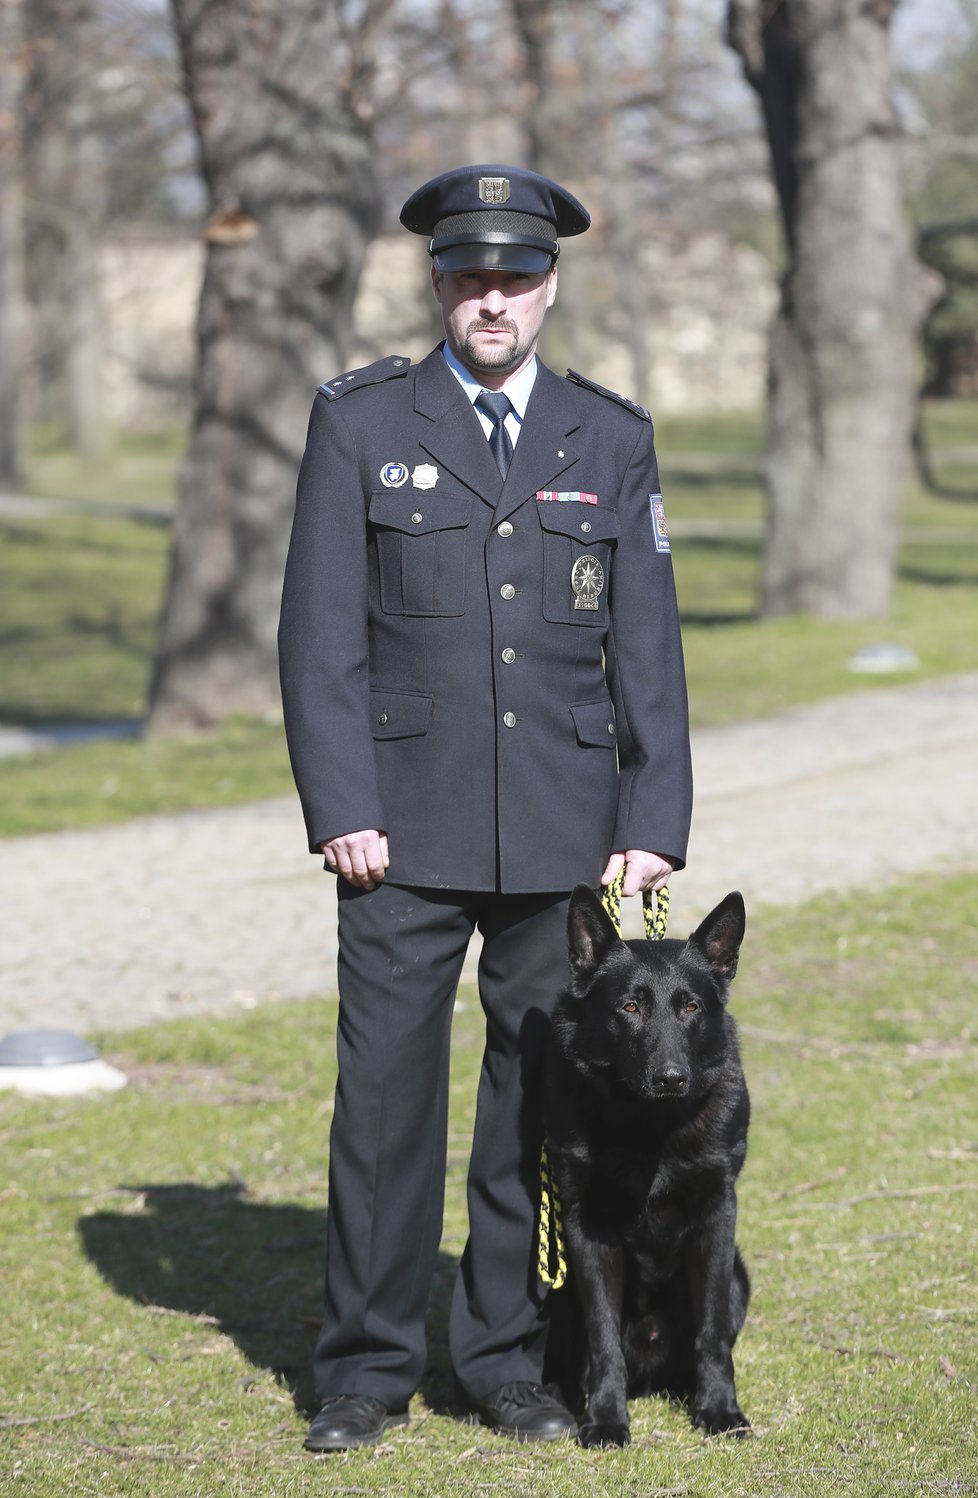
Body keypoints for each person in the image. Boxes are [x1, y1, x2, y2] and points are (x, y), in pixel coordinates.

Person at [278, 163, 693, 1451]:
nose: (492, 297)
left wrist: (649, 820)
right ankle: (364, 1368)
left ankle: (503, 1360)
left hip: (564, 835)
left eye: (516, 275)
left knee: (535, 1107)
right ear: (439, 285)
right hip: (397, 828)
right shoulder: (361, 423)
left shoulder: (609, 436)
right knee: (387, 1103)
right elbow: (318, 641)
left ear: (551, 285)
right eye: (469, 275)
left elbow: (649, 648)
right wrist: (343, 803)